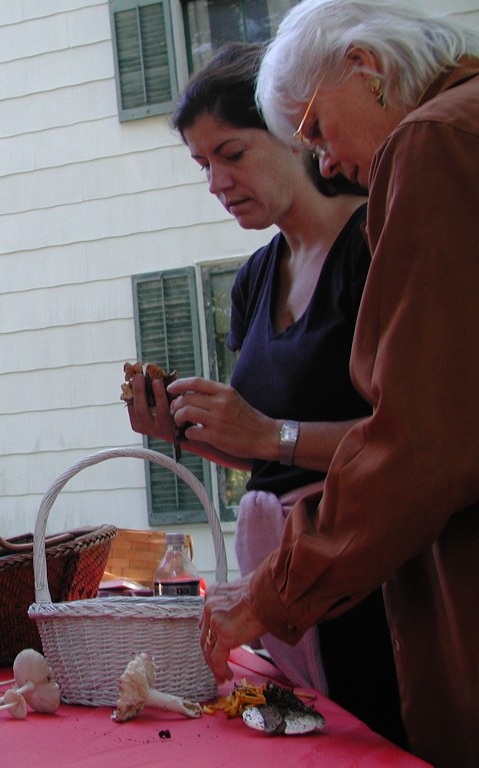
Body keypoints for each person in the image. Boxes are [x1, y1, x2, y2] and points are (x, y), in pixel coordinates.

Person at [200, 2, 479, 765]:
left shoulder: (433, 139)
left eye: (316, 129)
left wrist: (269, 596)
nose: (321, 161)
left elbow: (421, 444)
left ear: (365, 66)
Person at [127, 43, 404, 745]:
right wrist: (183, 435)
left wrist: (267, 434)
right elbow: (273, 462)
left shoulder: (377, 243)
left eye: (232, 153)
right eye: (203, 166)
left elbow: (411, 441)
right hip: (279, 580)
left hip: (367, 574)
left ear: (294, 129)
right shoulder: (255, 279)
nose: (217, 181)